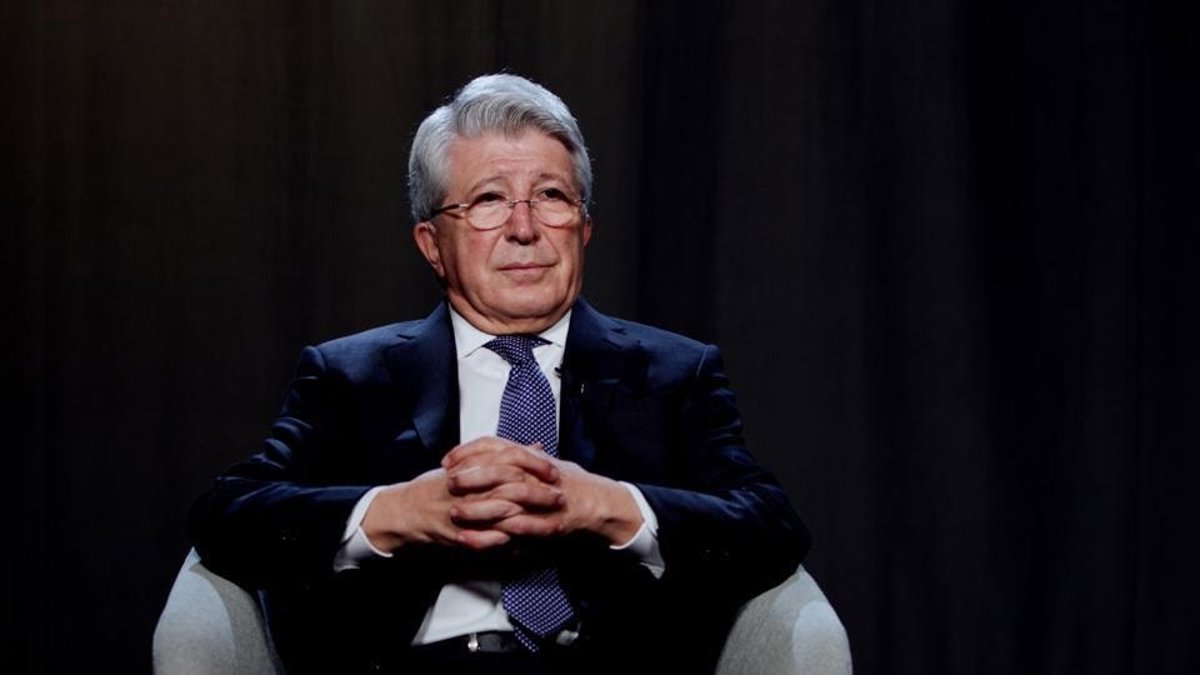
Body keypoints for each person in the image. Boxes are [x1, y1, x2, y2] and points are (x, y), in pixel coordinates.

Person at [187, 73, 810, 674]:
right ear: (432, 244)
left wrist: (607, 506)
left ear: (584, 228)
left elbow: (772, 525)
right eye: (488, 200)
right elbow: (226, 516)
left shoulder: (675, 373)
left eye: (552, 196)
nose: (524, 228)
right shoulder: (350, 375)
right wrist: (397, 512)